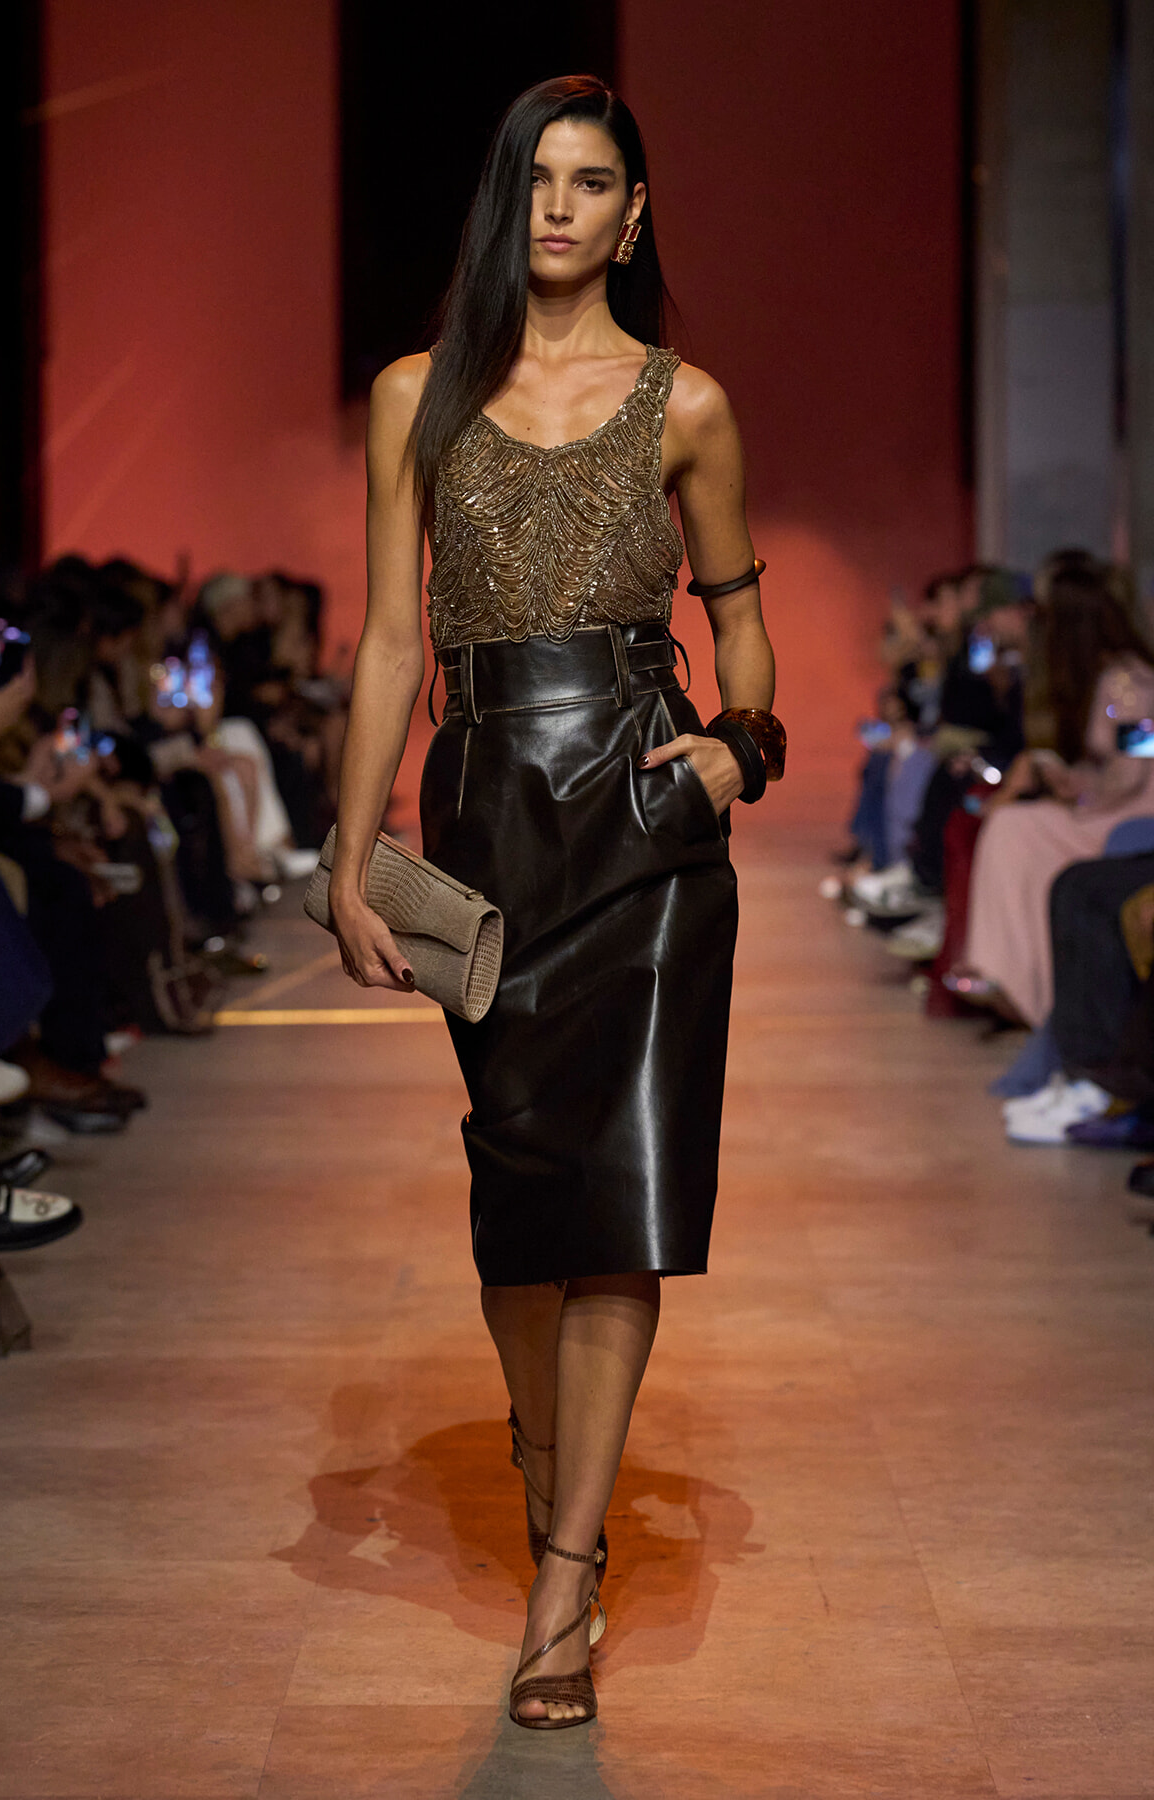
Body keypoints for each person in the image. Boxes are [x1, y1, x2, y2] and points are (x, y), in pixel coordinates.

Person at [327, 74, 782, 1729]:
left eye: (594, 183)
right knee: (520, 1190)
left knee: (627, 1202)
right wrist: (344, 843)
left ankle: (567, 1577)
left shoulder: (689, 407)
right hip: (488, 814)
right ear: (505, 206)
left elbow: (742, 623)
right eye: (539, 181)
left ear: (636, 212)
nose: (564, 209)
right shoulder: (414, 399)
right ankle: (541, 1457)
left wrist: (740, 753)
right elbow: (390, 641)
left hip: (649, 821)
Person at [954, 550, 1154, 1026]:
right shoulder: (1115, 678)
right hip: (1109, 804)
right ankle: (1015, 975)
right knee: (1015, 827)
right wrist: (1074, 781)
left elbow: (1136, 771)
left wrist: (1077, 791)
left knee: (1015, 831)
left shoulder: (1130, 684)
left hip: (1132, 816)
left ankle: (1023, 982)